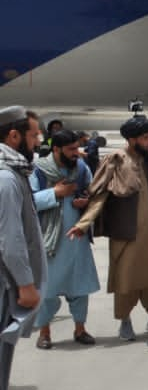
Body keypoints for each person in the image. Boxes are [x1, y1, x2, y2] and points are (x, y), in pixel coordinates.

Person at [70, 115, 148, 341]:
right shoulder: (116, 160)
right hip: (127, 234)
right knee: (126, 280)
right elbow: (99, 196)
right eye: (144, 138)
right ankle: (125, 322)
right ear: (132, 139)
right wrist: (83, 224)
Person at [0, 106, 49, 390]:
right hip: (7, 283)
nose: (38, 141)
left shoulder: (14, 173)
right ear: (13, 136)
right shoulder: (5, 179)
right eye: (33, 135)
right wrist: (26, 284)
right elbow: (10, 240)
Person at [30, 130, 98, 348]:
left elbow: (92, 191)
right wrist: (55, 193)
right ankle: (44, 332)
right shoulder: (39, 170)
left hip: (76, 237)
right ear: (56, 149)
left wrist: (83, 199)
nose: (75, 153)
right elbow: (28, 202)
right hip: (49, 240)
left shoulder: (80, 168)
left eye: (76, 148)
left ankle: (80, 329)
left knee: (79, 285)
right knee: (48, 288)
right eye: (70, 149)